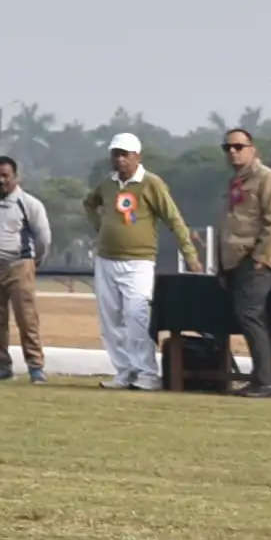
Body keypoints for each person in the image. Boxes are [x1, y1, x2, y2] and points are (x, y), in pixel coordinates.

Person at [82, 132, 197, 390]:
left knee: (137, 317)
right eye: (115, 154)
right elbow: (89, 203)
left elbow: (173, 218)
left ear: (137, 156)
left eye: (125, 154)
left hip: (139, 262)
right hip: (106, 260)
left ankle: (147, 373)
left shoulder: (151, 183)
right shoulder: (107, 184)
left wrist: (189, 253)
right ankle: (124, 372)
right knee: (110, 320)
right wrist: (100, 227)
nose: (120, 160)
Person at [216, 128, 271, 399]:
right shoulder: (236, 182)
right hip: (234, 261)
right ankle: (261, 379)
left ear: (252, 148)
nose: (233, 152)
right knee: (251, 317)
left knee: (250, 315)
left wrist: (262, 258)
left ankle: (264, 383)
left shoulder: (268, 180)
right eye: (227, 148)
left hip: (257, 260)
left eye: (238, 146)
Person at [0, 155, 52, 383]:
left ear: (16, 177)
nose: (1, 181)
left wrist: (33, 263)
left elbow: (44, 239)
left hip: (19, 267)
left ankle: (35, 367)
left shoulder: (29, 204)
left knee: (26, 318)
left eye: (5, 176)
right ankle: (1, 365)